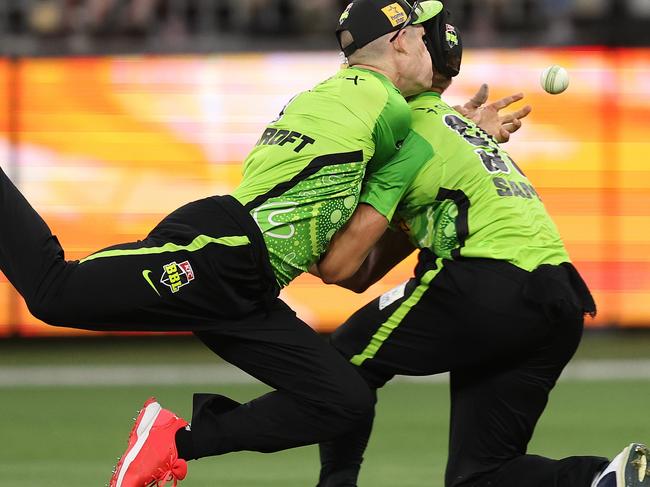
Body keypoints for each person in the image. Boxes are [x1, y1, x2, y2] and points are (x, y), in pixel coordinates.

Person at [0, 2, 451, 486]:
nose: (432, 48)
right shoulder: (385, 106)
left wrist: (451, 126)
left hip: (250, 282)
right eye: (424, 38)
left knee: (344, 401)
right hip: (221, 249)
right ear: (399, 40)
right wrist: (461, 129)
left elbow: (338, 266)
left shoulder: (346, 95)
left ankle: (173, 444)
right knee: (55, 291)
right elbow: (423, 131)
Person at [312, 8, 650, 487]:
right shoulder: (464, 130)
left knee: (344, 358)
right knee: (482, 476)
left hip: (491, 284)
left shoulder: (400, 123)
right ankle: (608, 479)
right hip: (560, 293)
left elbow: (350, 271)